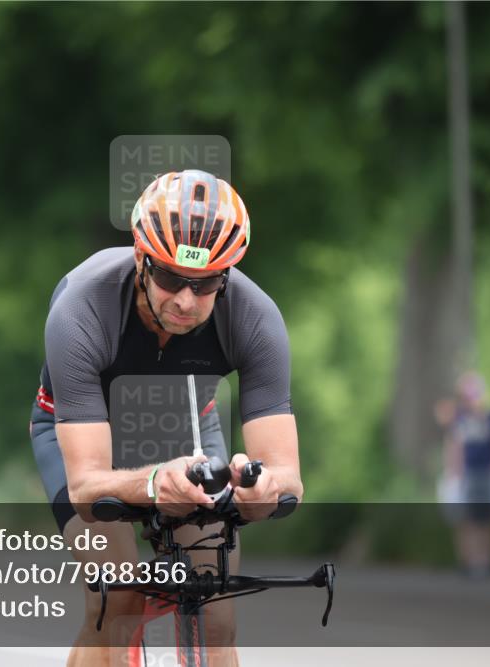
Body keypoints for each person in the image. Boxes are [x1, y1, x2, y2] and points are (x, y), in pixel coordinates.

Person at [29, 169, 303, 666]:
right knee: (117, 599)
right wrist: (155, 483)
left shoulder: (255, 317)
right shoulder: (81, 308)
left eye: (205, 284)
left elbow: (287, 477)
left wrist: (260, 488)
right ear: (141, 257)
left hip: (187, 431)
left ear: (226, 276)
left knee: (214, 614)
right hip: (82, 437)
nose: (184, 300)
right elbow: (87, 486)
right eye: (170, 277)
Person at [441, 372, 490, 578]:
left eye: (472, 395)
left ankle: (488, 560)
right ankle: (469, 560)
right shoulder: (460, 420)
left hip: (488, 474)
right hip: (468, 475)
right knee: (468, 519)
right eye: (465, 397)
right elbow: (453, 445)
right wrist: (453, 472)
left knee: (489, 519)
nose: (469, 401)